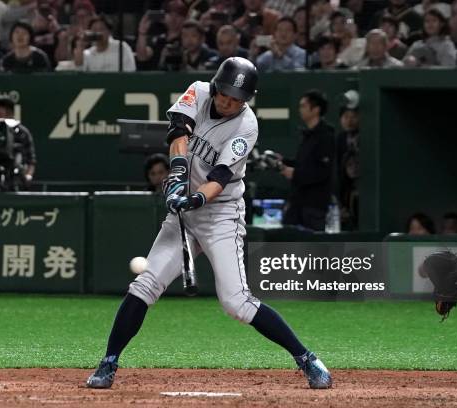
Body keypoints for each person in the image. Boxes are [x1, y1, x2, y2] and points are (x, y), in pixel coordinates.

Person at [85, 57, 332, 390]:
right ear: (216, 87)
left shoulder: (247, 125)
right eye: (226, 94)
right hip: (182, 215)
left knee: (237, 302)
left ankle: (306, 358)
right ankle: (109, 362)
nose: (229, 102)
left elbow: (220, 176)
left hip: (222, 215)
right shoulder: (199, 92)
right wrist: (177, 174)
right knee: (145, 286)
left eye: (237, 98)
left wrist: (196, 198)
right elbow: (178, 133)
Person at [279, 90, 335, 231]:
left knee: (312, 247)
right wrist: (283, 161)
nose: (300, 109)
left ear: (315, 110)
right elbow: (303, 164)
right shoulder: (308, 135)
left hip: (314, 205)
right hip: (297, 201)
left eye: (303, 106)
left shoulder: (325, 136)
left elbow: (322, 171)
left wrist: (295, 174)